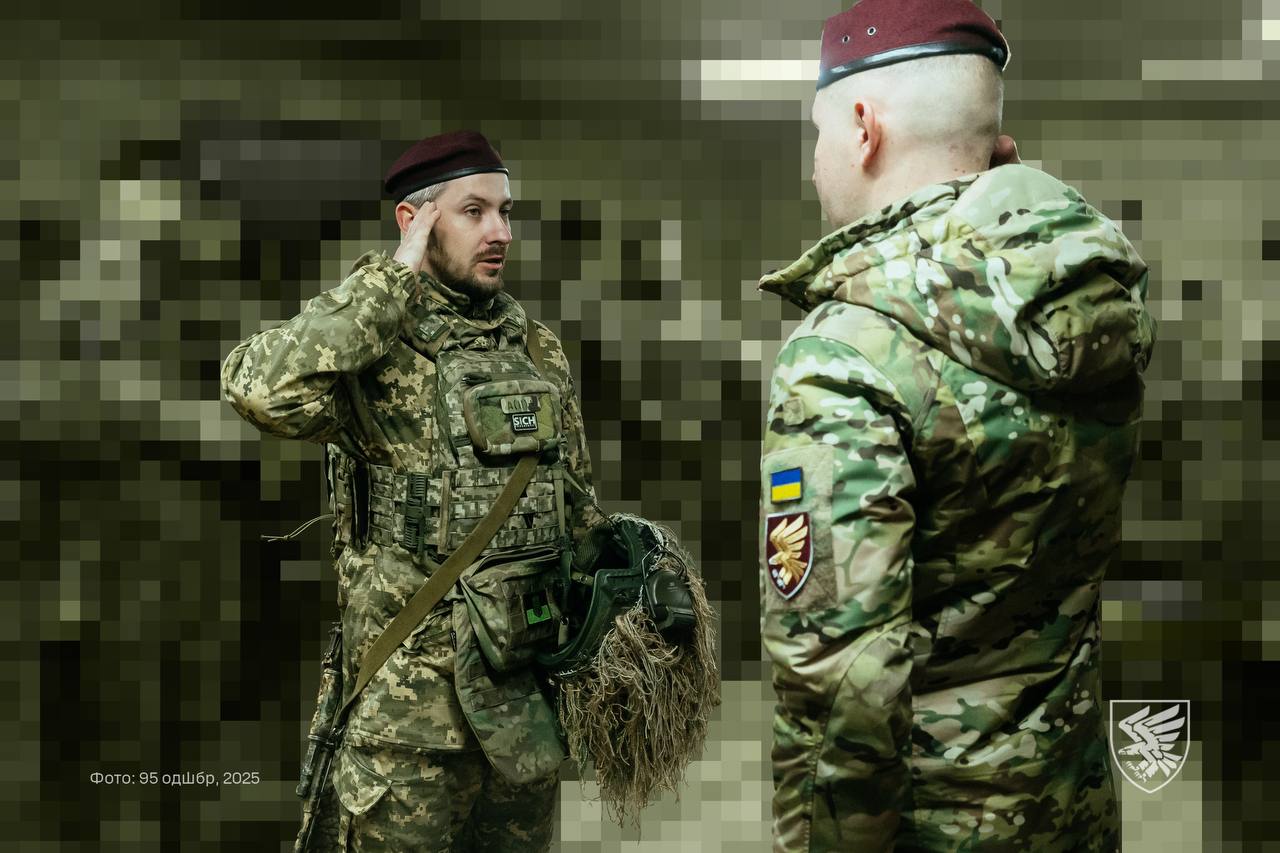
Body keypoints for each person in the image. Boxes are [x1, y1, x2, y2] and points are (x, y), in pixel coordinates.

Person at [757, 1, 1155, 850]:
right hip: (1073, 807)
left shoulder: (845, 354)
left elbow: (841, 683)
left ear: (863, 127)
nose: (817, 162)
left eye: (818, 135)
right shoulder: (1084, 300)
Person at [222, 130, 604, 851]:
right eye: (474, 211)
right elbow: (258, 388)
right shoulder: (373, 346)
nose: (500, 232)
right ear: (415, 220)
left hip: (521, 723)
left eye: (505, 211)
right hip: (405, 734)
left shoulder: (535, 349)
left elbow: (576, 512)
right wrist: (390, 281)